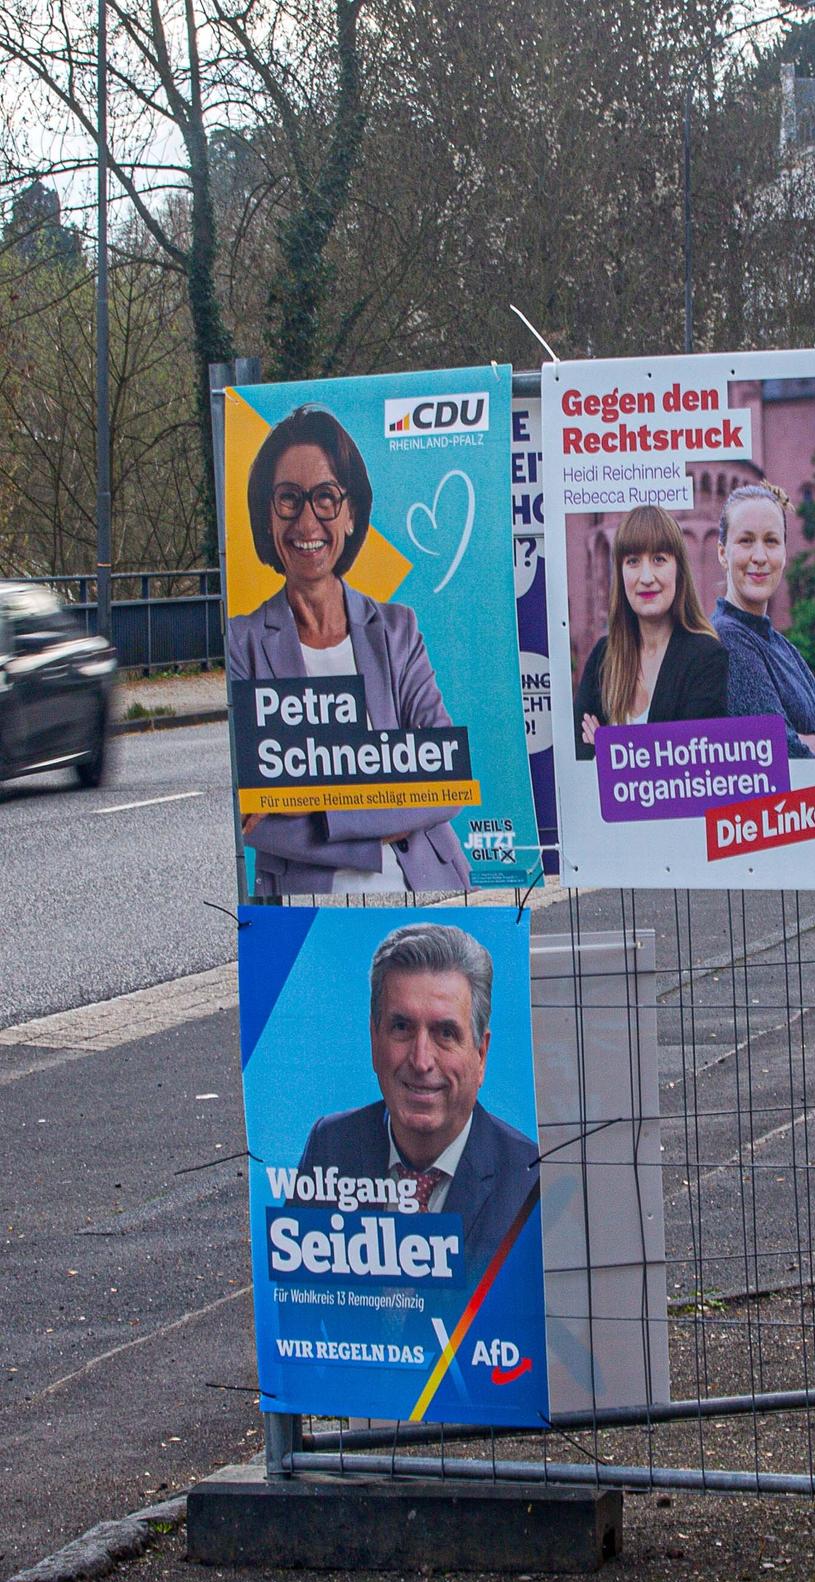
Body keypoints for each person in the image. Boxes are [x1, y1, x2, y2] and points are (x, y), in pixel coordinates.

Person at [227, 407, 470, 895]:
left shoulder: (397, 630)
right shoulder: (242, 643)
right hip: (304, 903)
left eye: (325, 497)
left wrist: (318, 810)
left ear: (351, 512)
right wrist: (384, 820)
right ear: (266, 515)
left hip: (425, 884)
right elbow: (254, 820)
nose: (307, 521)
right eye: (288, 498)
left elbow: (448, 780)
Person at [297, 922, 538, 1287]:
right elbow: (297, 1301)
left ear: (481, 1054)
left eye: (445, 1033)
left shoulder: (527, 1178)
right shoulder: (330, 1145)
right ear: (374, 1039)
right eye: (402, 1028)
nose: (421, 1060)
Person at [573, 504, 729, 757]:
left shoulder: (706, 658)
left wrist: (607, 748)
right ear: (620, 573)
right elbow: (579, 755)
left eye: (659, 559)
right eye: (633, 561)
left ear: (678, 570)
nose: (646, 577)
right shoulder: (603, 657)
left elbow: (691, 762)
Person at [709, 481, 815, 759]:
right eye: (746, 541)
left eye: (771, 541)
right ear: (722, 553)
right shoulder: (728, 638)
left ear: (784, 554)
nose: (760, 556)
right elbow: (779, 751)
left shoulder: (781, 646)